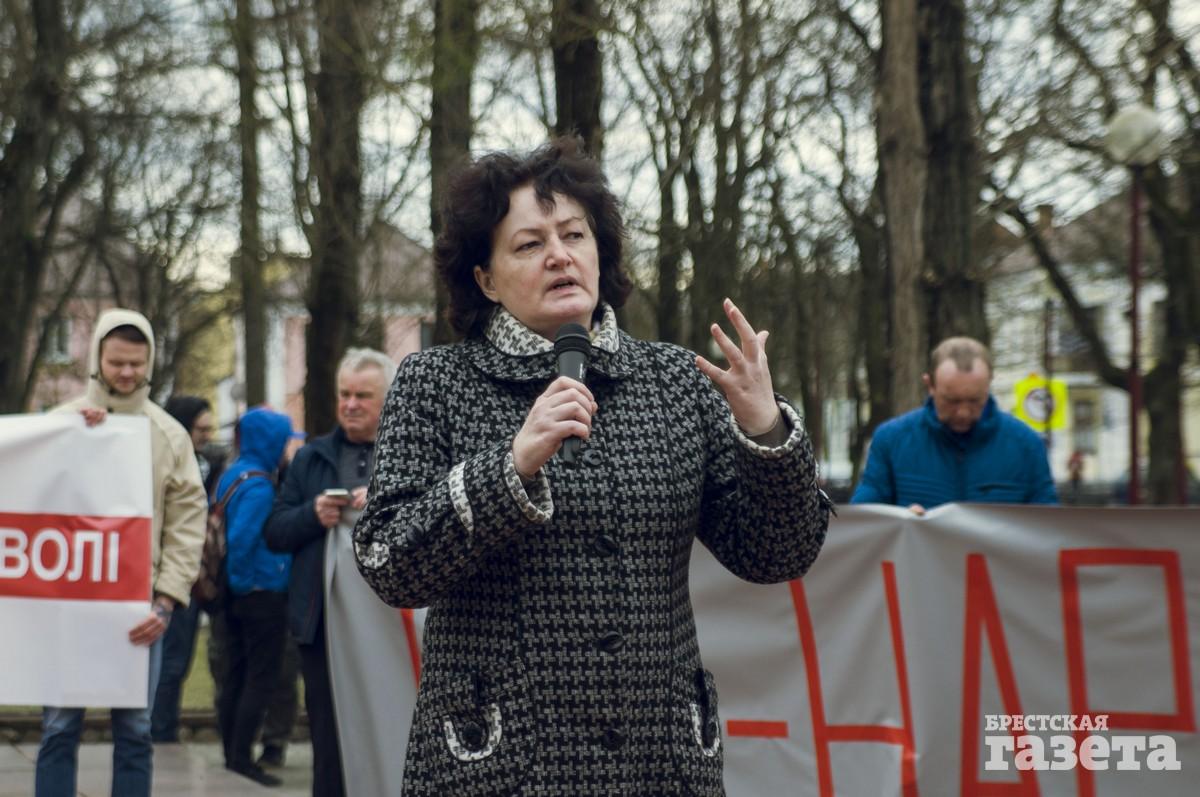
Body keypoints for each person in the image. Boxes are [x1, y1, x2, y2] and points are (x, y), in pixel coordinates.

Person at [351, 138, 831, 795]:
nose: (559, 254)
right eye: (529, 244)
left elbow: (777, 554)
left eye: (574, 234)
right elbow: (388, 561)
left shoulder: (675, 381)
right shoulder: (434, 382)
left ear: (600, 253)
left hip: (659, 764)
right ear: (485, 278)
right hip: (498, 763)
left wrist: (765, 429)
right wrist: (510, 468)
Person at [37, 309, 207, 797]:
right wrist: (74, 439)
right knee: (58, 728)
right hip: (69, 604)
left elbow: (186, 525)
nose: (128, 373)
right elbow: (30, 500)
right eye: (117, 363)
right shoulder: (60, 424)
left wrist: (166, 599)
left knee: (135, 731)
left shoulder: (168, 435)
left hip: (141, 608)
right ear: (97, 359)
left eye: (137, 363)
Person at [264, 347, 396, 797]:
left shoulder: (408, 454)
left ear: (388, 399)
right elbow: (275, 531)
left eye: (363, 395)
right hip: (322, 626)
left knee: (396, 726)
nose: (350, 405)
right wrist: (312, 514)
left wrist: (382, 504)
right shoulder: (311, 458)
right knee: (329, 738)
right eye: (344, 394)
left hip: (392, 624)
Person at [851, 336, 1058, 512]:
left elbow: (1049, 528)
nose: (963, 412)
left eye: (975, 400)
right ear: (929, 385)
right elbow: (863, 520)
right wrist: (899, 521)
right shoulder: (891, 440)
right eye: (951, 401)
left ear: (989, 384)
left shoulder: (1027, 445)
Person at [216, 406, 297, 787]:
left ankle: (231, 753)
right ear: (270, 441)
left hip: (235, 595)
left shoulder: (232, 474)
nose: (285, 448)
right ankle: (242, 758)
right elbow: (242, 540)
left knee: (235, 674)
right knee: (261, 677)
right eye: (283, 440)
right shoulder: (260, 486)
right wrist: (246, 585)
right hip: (259, 593)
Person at [150, 395, 216, 744]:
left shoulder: (204, 465)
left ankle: (164, 725)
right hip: (170, 581)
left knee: (178, 662)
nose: (207, 436)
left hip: (188, 579)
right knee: (170, 662)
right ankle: (160, 730)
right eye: (201, 429)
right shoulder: (170, 465)